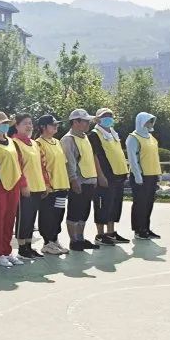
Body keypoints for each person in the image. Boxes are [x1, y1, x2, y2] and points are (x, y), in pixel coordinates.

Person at [0, 111, 27, 267]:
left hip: (13, 185)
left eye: (7, 123)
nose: (6, 126)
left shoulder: (12, 142)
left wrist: (22, 183)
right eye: (2, 124)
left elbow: (18, 163)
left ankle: (8, 252)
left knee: (9, 220)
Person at [89, 107, 130, 246]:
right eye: (105, 116)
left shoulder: (113, 133)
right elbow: (95, 156)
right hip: (106, 176)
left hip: (118, 175)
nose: (109, 118)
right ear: (97, 119)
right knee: (102, 205)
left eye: (110, 116)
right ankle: (100, 235)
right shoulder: (94, 135)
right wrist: (100, 175)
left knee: (114, 205)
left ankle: (110, 233)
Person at [12, 114, 51, 259]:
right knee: (24, 218)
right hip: (25, 188)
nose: (29, 126)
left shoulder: (34, 144)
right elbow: (17, 167)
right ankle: (22, 248)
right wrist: (23, 185)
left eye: (30, 123)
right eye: (25, 123)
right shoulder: (14, 143)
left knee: (31, 218)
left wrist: (46, 183)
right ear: (17, 126)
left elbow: (42, 165)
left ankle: (29, 245)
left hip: (38, 186)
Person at [61, 109, 100, 252]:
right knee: (74, 212)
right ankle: (74, 241)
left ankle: (81, 238)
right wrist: (73, 179)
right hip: (78, 182)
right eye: (85, 121)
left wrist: (94, 178)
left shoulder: (85, 137)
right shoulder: (68, 139)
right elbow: (69, 162)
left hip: (89, 180)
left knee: (84, 212)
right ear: (75, 122)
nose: (88, 123)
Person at [35, 115, 70, 255]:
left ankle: (54, 239)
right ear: (43, 127)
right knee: (47, 215)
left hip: (62, 186)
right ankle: (47, 243)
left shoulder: (57, 142)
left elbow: (63, 163)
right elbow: (40, 166)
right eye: (52, 124)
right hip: (49, 188)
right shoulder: (38, 143)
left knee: (58, 214)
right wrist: (45, 185)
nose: (56, 126)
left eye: (56, 124)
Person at [127, 112, 162, 240]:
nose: (151, 123)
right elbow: (132, 159)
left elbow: (155, 157)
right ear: (141, 122)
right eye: (148, 120)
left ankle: (146, 228)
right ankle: (138, 230)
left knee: (148, 203)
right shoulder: (133, 137)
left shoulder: (151, 137)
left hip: (152, 175)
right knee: (140, 203)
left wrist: (158, 173)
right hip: (141, 176)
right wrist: (137, 176)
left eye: (152, 120)